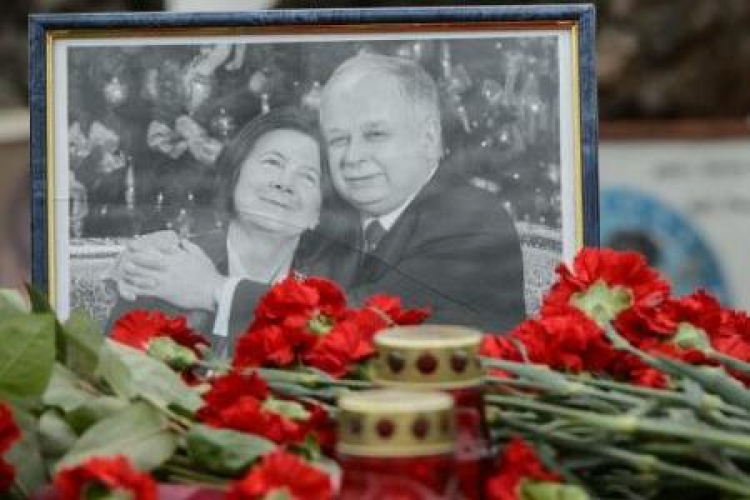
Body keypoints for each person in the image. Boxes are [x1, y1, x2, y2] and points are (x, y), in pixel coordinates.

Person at [316, 53, 525, 332]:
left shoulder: (473, 218)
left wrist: (237, 293)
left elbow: (365, 315)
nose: (352, 157)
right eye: (339, 139)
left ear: (428, 140)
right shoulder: (332, 221)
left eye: (375, 134)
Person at [108, 107, 344, 351]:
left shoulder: (330, 292)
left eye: (308, 177)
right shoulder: (167, 262)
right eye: (272, 162)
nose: (284, 183)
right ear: (235, 175)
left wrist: (217, 291)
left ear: (318, 214)